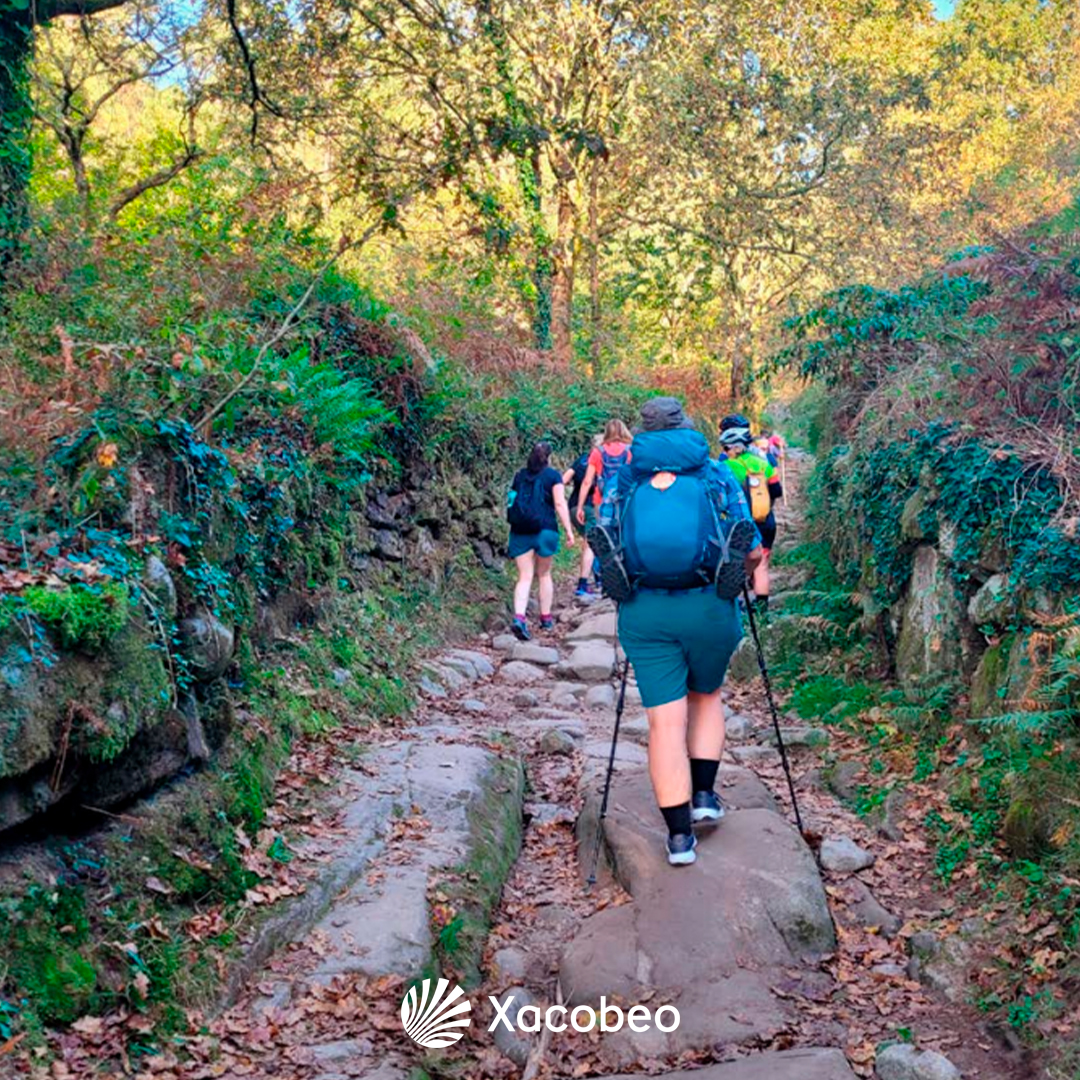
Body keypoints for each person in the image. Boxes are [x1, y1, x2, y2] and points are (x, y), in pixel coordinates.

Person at [590, 397, 762, 866]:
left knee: (664, 721)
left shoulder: (624, 475)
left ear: (642, 432)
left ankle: (680, 839)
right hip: (709, 604)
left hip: (644, 611)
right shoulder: (713, 472)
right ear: (687, 427)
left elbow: (606, 530)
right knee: (705, 696)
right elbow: (751, 544)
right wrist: (744, 569)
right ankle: (705, 796)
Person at [506, 441, 575, 641]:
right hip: (546, 530)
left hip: (520, 530)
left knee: (524, 576)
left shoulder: (519, 475)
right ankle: (545, 618)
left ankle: (519, 618)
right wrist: (569, 530)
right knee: (544, 574)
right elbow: (560, 503)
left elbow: (511, 501)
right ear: (549, 458)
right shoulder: (553, 476)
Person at [719, 418, 782, 614]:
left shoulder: (726, 467)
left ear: (730, 447)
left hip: (738, 523)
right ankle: (762, 608)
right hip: (765, 519)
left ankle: (737, 606)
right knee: (762, 564)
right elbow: (777, 490)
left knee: (736, 562)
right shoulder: (763, 463)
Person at [575, 419, 633, 530]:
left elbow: (587, 481)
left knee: (605, 533)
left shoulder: (598, 452)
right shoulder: (631, 451)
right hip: (626, 499)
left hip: (601, 499)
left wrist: (580, 507)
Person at [564, 436, 602, 599]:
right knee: (592, 545)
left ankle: (598, 579)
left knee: (593, 544)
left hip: (573, 509)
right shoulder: (602, 461)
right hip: (590, 508)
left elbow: (563, 480)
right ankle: (584, 584)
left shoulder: (581, 460)